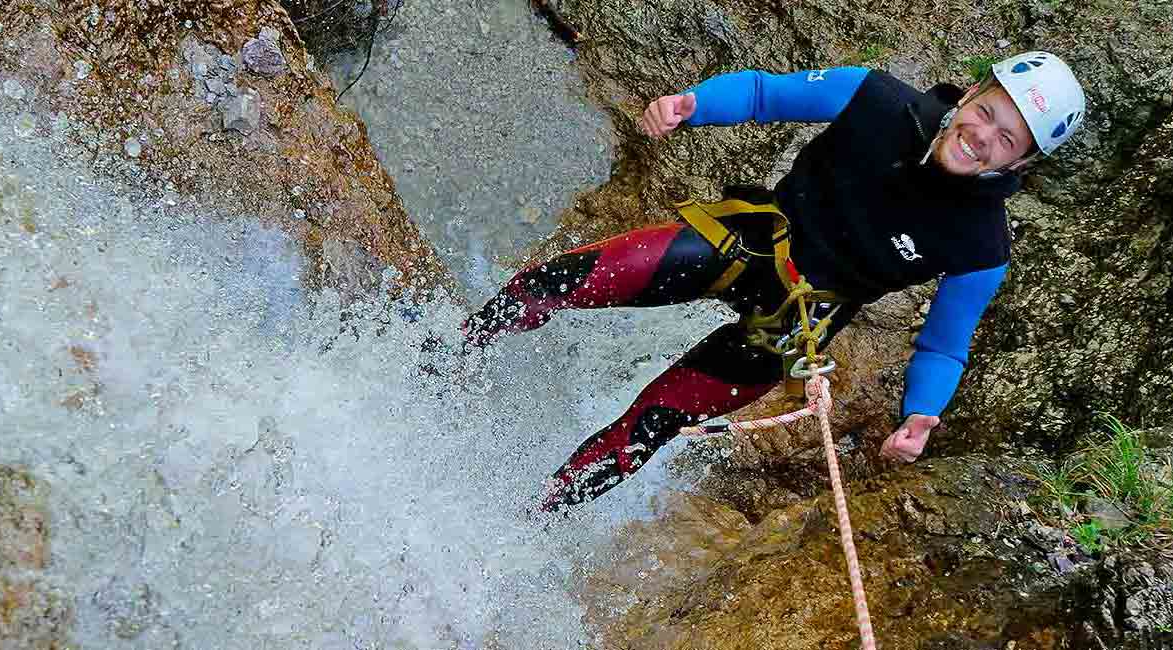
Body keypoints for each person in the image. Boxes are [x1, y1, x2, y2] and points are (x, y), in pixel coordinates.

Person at [459, 52, 1089, 511]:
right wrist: (695, 106)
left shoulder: (982, 244)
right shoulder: (874, 99)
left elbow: (945, 344)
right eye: (984, 113)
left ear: (1022, 161)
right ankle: (441, 362)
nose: (980, 137)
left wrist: (922, 413)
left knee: (649, 426)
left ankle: (529, 518)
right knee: (562, 280)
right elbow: (764, 94)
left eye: (1005, 139)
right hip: (752, 241)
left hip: (797, 324)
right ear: (973, 90)